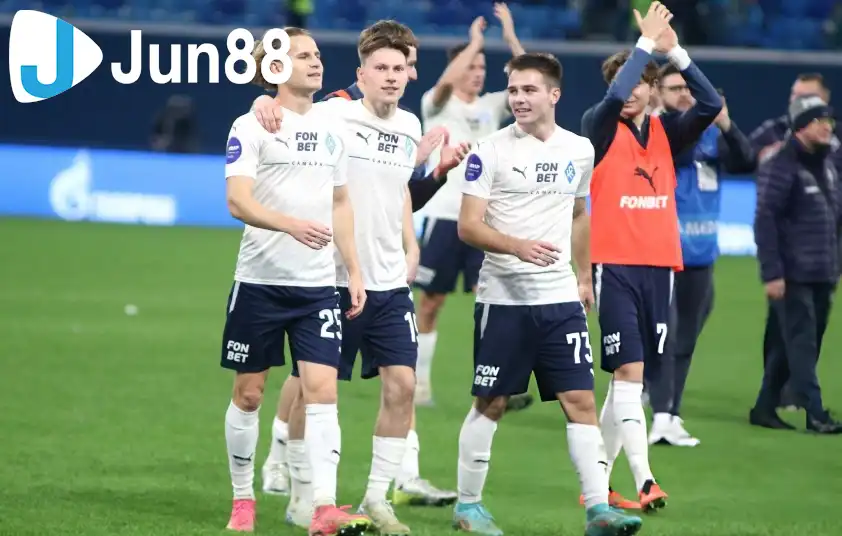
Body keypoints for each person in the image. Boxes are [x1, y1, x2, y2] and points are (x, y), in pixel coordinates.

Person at [252, 21, 461, 510]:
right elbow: (284, 107)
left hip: (387, 280)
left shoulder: (409, 125)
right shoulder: (334, 113)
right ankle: (291, 475)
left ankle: (377, 499)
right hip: (332, 277)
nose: (397, 75)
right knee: (311, 386)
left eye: (402, 67)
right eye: (384, 67)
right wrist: (263, 101)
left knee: (402, 384)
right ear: (363, 72)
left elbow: (398, 193)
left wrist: (411, 244)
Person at [453, 52, 643, 536]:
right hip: (504, 301)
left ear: (554, 95)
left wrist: (584, 276)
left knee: (580, 400)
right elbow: (468, 226)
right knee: (491, 402)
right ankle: (468, 506)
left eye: (529, 90)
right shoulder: (489, 151)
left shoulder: (579, 150)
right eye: (513, 90)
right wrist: (517, 246)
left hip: (559, 302)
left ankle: (598, 510)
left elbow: (579, 214)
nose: (518, 99)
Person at [220, 28, 372, 535]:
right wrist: (291, 225)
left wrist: (353, 268)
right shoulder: (251, 124)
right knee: (249, 395)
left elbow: (341, 202)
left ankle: (323, 506)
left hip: (317, 287)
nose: (315, 61)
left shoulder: (334, 125)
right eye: (303, 55)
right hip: (260, 282)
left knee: (323, 390)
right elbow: (237, 201)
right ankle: (243, 499)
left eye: (317, 54)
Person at [581, 1, 721, 511]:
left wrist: (674, 52)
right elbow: (613, 97)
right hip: (614, 265)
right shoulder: (598, 126)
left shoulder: (668, 132)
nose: (633, 91)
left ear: (654, 89)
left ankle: (596, 484)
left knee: (626, 380)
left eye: (643, 83)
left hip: (660, 267)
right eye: (626, 82)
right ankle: (644, 480)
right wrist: (643, 49)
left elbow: (710, 104)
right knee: (631, 372)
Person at [415, 4, 534, 412]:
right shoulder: (436, 104)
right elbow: (444, 82)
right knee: (431, 302)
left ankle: (499, 385)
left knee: (495, 301)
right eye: (472, 66)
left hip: (483, 219)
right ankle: (419, 383)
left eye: (483, 66)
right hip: (444, 216)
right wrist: (474, 43)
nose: (479, 72)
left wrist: (510, 36)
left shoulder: (493, 105)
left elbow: (529, 77)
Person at [646, 66, 755, 447]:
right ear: (657, 93)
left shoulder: (711, 135)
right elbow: (678, 150)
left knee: (687, 338)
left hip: (702, 252)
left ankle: (671, 412)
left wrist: (725, 124)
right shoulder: (657, 132)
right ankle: (660, 411)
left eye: (688, 89)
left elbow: (746, 161)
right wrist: (699, 117)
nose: (684, 94)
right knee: (667, 335)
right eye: (675, 88)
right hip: (665, 253)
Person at [749, 72, 842, 411]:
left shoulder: (829, 159)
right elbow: (766, 217)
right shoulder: (780, 159)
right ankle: (813, 410)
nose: (826, 126)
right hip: (794, 268)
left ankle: (766, 405)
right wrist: (772, 271)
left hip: (824, 265)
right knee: (796, 338)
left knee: (798, 338)